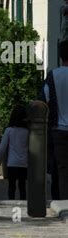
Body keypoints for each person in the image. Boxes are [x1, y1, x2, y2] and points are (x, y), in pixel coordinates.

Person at [43, 39, 68, 199]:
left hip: (58, 130)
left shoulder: (53, 76)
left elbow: (42, 100)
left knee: (61, 169)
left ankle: (62, 200)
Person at [0, 105, 28, 200]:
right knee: (22, 186)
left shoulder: (9, 131)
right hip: (24, 163)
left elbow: (2, 148)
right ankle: (23, 203)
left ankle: (11, 203)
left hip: (12, 163)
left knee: (11, 186)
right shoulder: (28, 132)